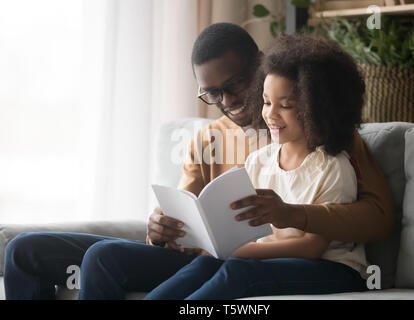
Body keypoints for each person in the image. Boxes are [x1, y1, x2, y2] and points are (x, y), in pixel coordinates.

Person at [3, 23, 393, 300]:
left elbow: (377, 216)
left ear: (260, 67)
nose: (227, 102)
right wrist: (160, 228)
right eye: (212, 94)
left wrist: (290, 214)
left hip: (242, 259)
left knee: (115, 259)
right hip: (204, 258)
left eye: (234, 86)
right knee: (23, 250)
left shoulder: (324, 138)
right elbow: (182, 225)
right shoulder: (206, 139)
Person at [143, 34, 371, 299]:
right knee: (206, 263)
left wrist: (239, 253)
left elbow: (311, 248)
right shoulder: (258, 161)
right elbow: (251, 234)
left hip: (334, 269)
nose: (270, 115)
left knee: (237, 271)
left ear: (317, 109)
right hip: (271, 261)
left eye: (285, 105)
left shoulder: (332, 167)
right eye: (265, 102)